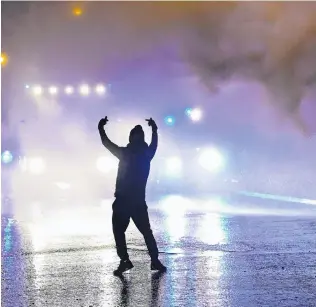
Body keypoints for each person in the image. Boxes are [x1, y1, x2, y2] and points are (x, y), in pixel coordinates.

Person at [98, 116, 167, 276]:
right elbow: (154, 144)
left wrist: (101, 128)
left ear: (130, 138)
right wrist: (154, 129)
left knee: (119, 232)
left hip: (123, 201)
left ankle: (125, 261)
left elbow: (106, 143)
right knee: (146, 232)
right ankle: (154, 260)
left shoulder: (124, 153)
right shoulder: (146, 154)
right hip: (136, 202)